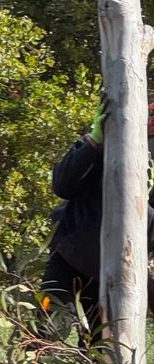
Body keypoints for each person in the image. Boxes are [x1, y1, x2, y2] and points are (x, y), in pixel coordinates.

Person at [41, 96, 154, 340]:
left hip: (118, 272)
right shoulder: (113, 141)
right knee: (46, 329)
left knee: (99, 355)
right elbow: (62, 185)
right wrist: (93, 142)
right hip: (69, 258)